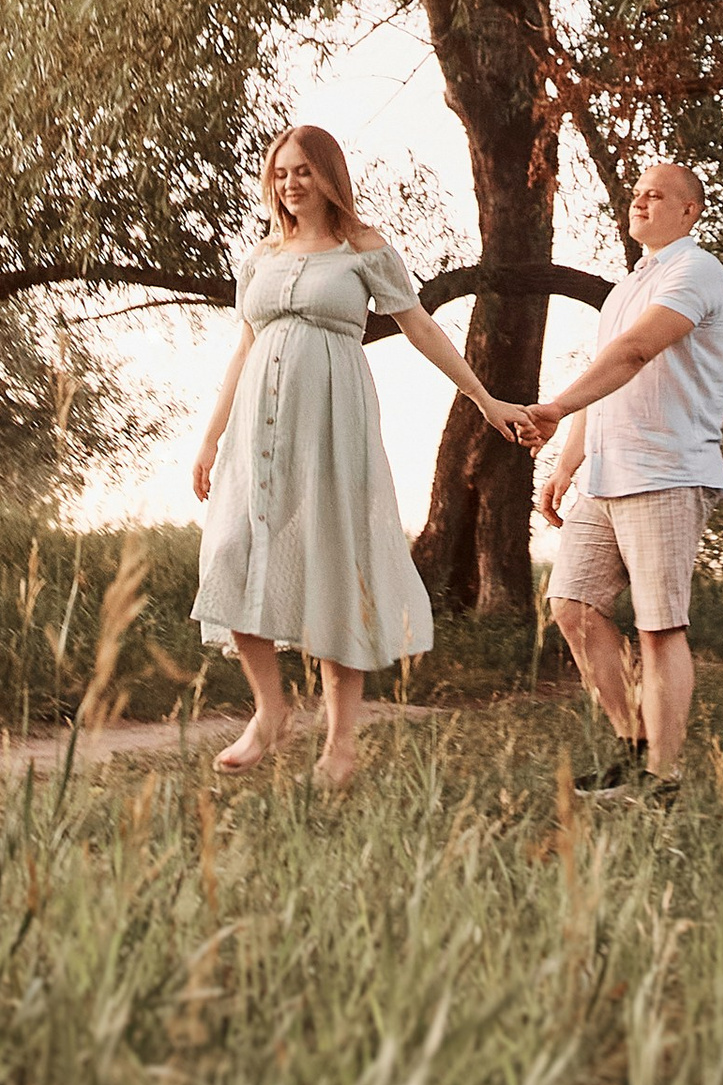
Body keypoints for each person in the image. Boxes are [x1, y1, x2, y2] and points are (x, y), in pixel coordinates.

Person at [191, 123, 530, 787]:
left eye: (304, 171)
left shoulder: (363, 248)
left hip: (332, 421)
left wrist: (487, 399)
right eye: (282, 171)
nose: (291, 183)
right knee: (231, 548)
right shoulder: (260, 256)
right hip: (257, 431)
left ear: (329, 176)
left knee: (334, 566)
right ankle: (271, 713)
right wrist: (211, 435)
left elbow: (421, 327)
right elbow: (244, 348)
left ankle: (340, 741)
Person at [521, 161, 723, 804]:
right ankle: (633, 748)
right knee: (572, 607)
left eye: (657, 195)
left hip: (667, 472)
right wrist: (565, 463)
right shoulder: (622, 291)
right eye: (636, 193)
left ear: (689, 211)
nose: (640, 202)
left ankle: (662, 781)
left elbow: (635, 354)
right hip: (608, 478)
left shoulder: (697, 272)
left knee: (658, 626)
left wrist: (552, 406)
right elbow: (606, 378)